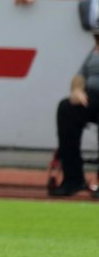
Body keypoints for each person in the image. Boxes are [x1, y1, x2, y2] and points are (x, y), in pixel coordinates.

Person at [50, 31, 99, 198]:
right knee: (66, 109)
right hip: (92, 96)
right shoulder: (94, 51)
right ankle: (73, 179)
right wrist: (77, 90)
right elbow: (80, 75)